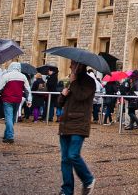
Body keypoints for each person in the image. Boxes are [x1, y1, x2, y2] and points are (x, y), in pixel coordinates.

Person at [57, 61, 96, 195]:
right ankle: (67, 190)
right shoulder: (70, 80)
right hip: (65, 123)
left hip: (79, 123)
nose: (70, 67)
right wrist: (63, 94)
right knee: (65, 159)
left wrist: (73, 83)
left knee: (73, 154)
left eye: (72, 65)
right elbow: (59, 103)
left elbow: (81, 96)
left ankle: (88, 179)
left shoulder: (89, 82)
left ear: (80, 66)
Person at [0, 62, 31, 143]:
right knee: (12, 118)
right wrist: (29, 100)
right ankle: (7, 134)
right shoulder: (23, 76)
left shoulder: (7, 75)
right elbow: (27, 90)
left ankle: (9, 136)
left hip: (8, 98)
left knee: (8, 118)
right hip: (17, 99)